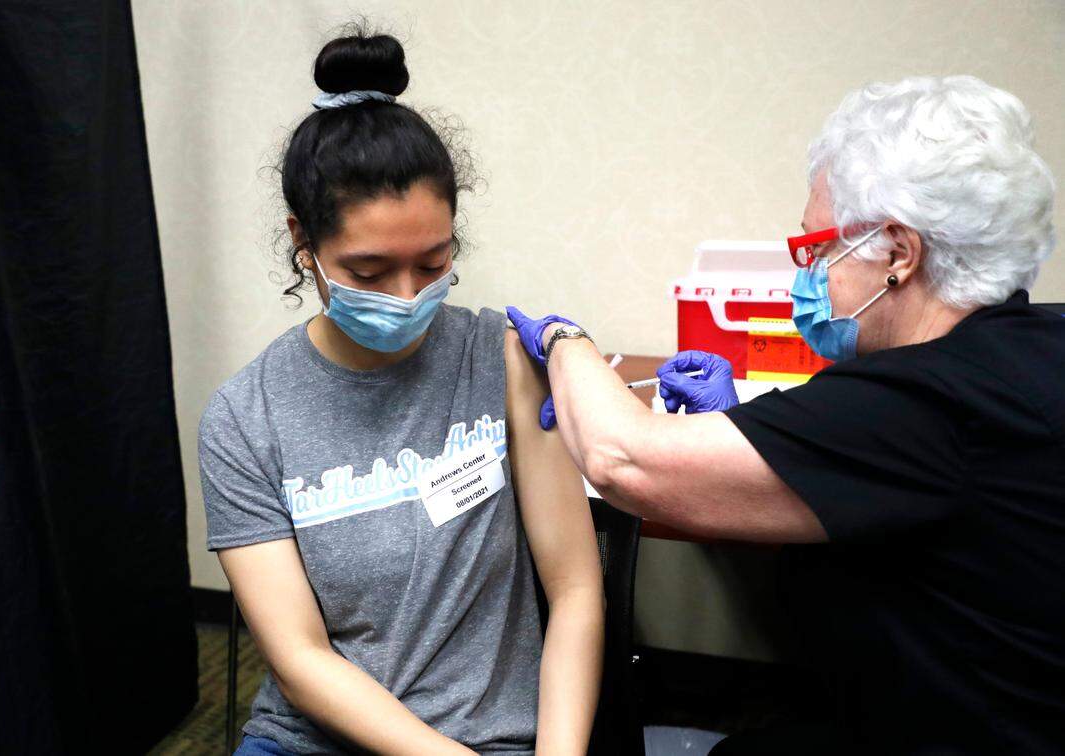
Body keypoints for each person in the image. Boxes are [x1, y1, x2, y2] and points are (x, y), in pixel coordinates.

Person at [507, 75, 1064, 754]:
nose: (809, 275)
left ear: (898, 253)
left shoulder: (930, 399)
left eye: (818, 249)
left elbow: (622, 458)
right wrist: (760, 441)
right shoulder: (1035, 346)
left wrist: (567, 344)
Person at [199, 30, 604, 756]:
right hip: (314, 740)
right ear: (305, 242)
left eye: (433, 260)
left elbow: (574, 590)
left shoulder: (502, 360)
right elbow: (299, 660)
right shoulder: (244, 417)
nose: (408, 294)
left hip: (489, 737)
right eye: (369, 270)